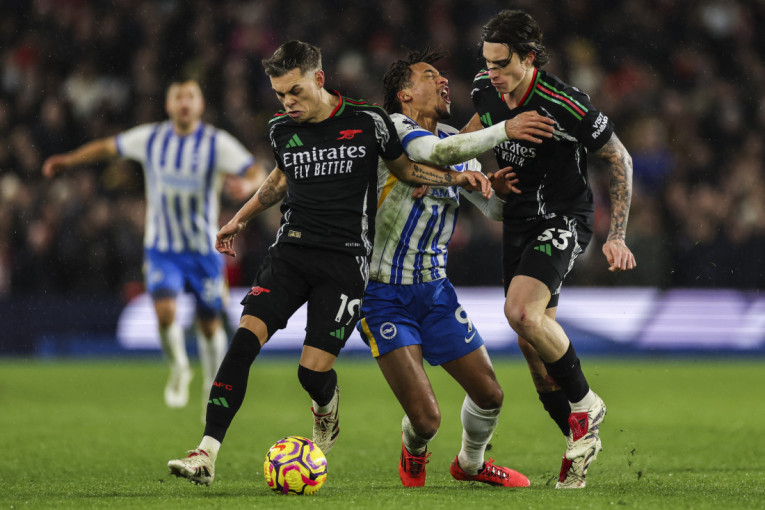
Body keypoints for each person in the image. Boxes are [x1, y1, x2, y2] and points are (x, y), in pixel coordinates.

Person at [166, 40, 492, 487]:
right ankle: (206, 452)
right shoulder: (281, 128)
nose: (287, 102)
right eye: (280, 94)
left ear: (319, 79)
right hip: (291, 253)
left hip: (344, 263)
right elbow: (281, 178)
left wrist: (456, 177)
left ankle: (325, 405)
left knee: (311, 372)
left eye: (295, 91)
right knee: (242, 343)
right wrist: (239, 218)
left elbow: (405, 169)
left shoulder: (368, 121)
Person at [357, 49, 555, 488]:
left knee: (490, 395)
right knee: (427, 420)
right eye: (430, 76)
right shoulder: (393, 130)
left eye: (443, 75)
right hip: (382, 294)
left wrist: (497, 191)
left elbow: (491, 209)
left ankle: (470, 463)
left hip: (435, 292)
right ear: (404, 94)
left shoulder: (455, 142)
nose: (443, 81)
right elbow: (439, 152)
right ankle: (414, 447)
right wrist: (505, 128)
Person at [466, 9, 636, 489]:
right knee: (533, 351)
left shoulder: (565, 103)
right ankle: (579, 442)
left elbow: (619, 157)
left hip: (563, 218)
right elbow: (469, 138)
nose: (492, 73)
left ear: (528, 58)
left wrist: (616, 234)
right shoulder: (485, 89)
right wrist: (468, 173)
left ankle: (586, 404)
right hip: (518, 221)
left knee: (521, 313)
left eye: (501, 63)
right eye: (487, 62)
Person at [42, 79, 266, 414]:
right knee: (164, 313)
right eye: (178, 97)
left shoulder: (216, 143)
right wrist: (69, 161)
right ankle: (179, 367)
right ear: (168, 105)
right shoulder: (151, 138)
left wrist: (248, 185)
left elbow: (256, 170)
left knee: (209, 324)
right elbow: (108, 147)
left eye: (190, 96)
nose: (184, 102)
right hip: (162, 247)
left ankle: (211, 381)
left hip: (204, 249)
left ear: (200, 105)